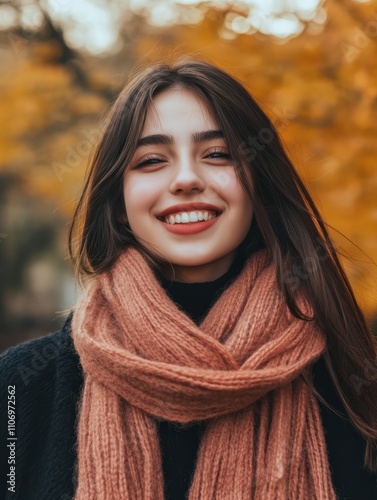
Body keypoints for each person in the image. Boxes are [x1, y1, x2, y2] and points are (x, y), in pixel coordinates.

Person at [1, 57, 377, 500]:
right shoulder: (19, 386)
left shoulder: (350, 380)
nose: (185, 179)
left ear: (259, 182)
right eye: (152, 160)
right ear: (119, 200)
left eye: (218, 154)